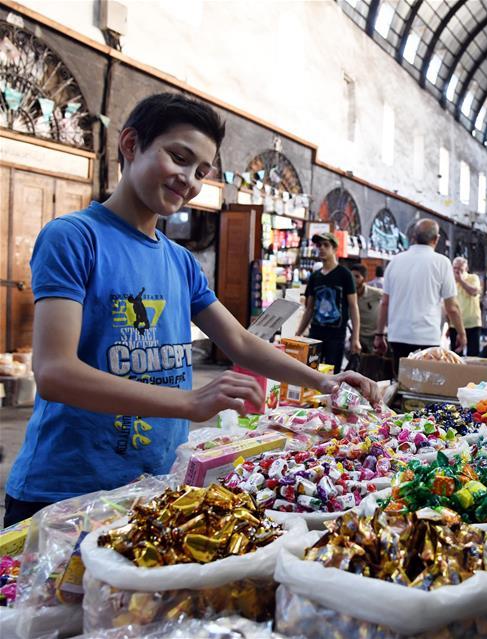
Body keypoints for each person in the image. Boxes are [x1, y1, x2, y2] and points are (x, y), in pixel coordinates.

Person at [4, 93, 379, 527]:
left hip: (153, 486)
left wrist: (324, 381)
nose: (189, 180)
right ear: (130, 144)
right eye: (178, 158)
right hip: (63, 493)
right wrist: (188, 401)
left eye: (201, 171)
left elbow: (238, 340)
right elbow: (54, 373)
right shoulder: (74, 238)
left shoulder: (179, 261)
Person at [375, 219, 466, 376]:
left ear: (413, 237)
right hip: (427, 337)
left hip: (398, 335)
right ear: (436, 239)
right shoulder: (442, 263)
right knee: (423, 384)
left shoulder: (395, 261)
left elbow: (385, 303)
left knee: (400, 383)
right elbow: (452, 307)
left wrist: (379, 334)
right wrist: (461, 333)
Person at [295, 232, 360, 373]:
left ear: (334, 249)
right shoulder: (314, 277)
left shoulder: (345, 275)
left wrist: (355, 338)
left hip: (336, 336)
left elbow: (354, 307)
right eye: (319, 245)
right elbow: (309, 309)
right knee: (310, 372)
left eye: (326, 245)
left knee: (333, 376)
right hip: (315, 335)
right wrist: (298, 333)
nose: (322, 248)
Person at [448, 257, 482, 356]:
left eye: (460, 268)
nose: (457, 271)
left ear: (466, 269)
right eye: (455, 268)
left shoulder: (473, 278)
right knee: (455, 354)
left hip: (472, 323)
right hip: (455, 324)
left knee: (473, 354)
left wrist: (461, 281)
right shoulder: (450, 281)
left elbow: (474, 291)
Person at [349, 263, 383, 353]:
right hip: (358, 337)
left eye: (357, 276)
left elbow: (389, 300)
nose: (353, 280)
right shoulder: (348, 296)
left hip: (374, 337)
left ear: (363, 278)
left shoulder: (375, 293)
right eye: (351, 276)